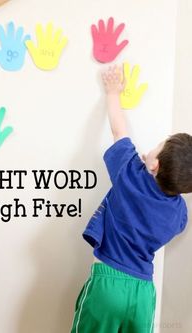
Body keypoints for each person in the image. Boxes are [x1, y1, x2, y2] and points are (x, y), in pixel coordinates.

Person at [70, 64, 190, 333]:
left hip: (108, 283)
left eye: (159, 144)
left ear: (154, 164)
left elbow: (118, 131)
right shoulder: (179, 214)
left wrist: (113, 92)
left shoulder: (130, 174)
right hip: (144, 294)